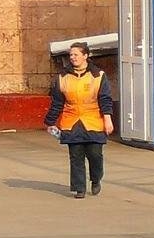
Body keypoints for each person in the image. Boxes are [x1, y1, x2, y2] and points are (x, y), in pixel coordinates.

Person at [43, 41, 114, 199]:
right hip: (71, 120)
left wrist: (108, 119)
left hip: (93, 120)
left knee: (95, 154)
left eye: (76, 55)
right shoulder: (63, 77)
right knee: (76, 155)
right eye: (71, 55)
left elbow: (105, 99)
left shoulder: (98, 75)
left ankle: (96, 179)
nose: (72, 57)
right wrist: (49, 122)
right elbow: (57, 102)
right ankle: (79, 188)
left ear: (85, 56)